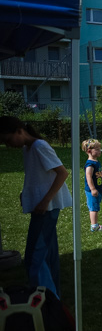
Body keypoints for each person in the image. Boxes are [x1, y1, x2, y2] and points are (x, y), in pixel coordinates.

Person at [0, 116, 73, 299]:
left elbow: (62, 173)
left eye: (8, 140)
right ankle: (53, 297)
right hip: (42, 207)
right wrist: (25, 194)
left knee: (34, 257)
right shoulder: (28, 148)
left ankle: (42, 300)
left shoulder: (40, 146)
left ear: (19, 131)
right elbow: (38, 176)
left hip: (46, 209)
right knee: (48, 253)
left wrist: (45, 200)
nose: (9, 145)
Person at [82, 138, 102, 231]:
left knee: (96, 206)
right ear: (89, 151)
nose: (99, 151)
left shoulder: (95, 162)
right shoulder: (90, 164)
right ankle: (94, 226)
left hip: (98, 189)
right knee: (94, 207)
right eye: (97, 149)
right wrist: (92, 189)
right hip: (93, 190)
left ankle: (95, 224)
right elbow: (88, 177)